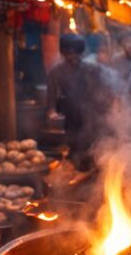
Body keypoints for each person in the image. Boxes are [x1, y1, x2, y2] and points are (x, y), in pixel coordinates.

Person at [46, 34, 117, 170]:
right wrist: (52, 114)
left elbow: (103, 95)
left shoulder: (91, 70)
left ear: (81, 52)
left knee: (95, 156)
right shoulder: (55, 73)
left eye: (76, 53)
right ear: (63, 53)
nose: (73, 57)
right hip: (70, 122)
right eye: (69, 54)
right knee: (75, 159)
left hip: (92, 120)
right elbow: (51, 103)